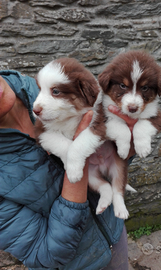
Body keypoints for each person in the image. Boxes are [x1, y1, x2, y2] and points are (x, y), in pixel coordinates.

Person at [0, 70, 137, 270]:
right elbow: (46, 255)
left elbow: (106, 155)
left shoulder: (37, 86)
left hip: (114, 233)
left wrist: (124, 145)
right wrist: (79, 157)